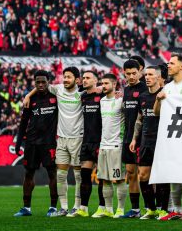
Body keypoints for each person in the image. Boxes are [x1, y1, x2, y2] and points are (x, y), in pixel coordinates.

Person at [26, 66, 82, 215]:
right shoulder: (59, 89)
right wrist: (28, 96)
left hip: (78, 138)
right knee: (61, 175)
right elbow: (41, 85)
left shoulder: (82, 93)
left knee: (78, 175)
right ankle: (63, 208)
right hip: (61, 139)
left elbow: (97, 89)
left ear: (77, 80)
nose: (66, 80)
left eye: (69, 77)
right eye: (65, 77)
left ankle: (77, 206)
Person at [155, 54, 182, 221]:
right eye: (168, 63)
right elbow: (156, 113)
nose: (168, 65)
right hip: (172, 137)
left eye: (172, 63)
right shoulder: (167, 88)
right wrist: (158, 99)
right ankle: (178, 210)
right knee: (174, 174)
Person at [14, 70, 61, 217]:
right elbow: (23, 122)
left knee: (52, 173)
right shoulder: (30, 99)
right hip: (32, 142)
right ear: (34, 83)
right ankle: (26, 208)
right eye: (37, 82)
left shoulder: (56, 97)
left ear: (48, 82)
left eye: (43, 82)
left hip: (49, 143)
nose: (40, 84)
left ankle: (53, 207)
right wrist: (18, 142)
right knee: (28, 173)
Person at [129, 64, 166, 219]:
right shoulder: (143, 96)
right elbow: (139, 118)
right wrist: (134, 138)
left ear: (158, 77)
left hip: (162, 141)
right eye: (146, 75)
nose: (147, 77)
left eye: (151, 74)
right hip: (145, 141)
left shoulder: (165, 94)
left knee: (162, 176)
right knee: (143, 175)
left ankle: (163, 209)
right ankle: (151, 209)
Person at [92, 73, 128, 218]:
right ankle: (108, 209)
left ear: (114, 84)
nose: (103, 86)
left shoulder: (121, 100)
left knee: (119, 179)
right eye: (102, 83)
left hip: (116, 145)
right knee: (105, 179)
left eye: (106, 83)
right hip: (103, 145)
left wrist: (123, 93)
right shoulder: (101, 101)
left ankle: (120, 209)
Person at [120, 57, 148, 217]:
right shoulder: (126, 90)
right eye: (128, 74)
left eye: (134, 73)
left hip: (142, 138)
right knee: (131, 172)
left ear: (140, 72)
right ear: (124, 73)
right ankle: (135, 209)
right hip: (127, 136)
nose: (131, 76)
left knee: (145, 175)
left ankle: (151, 207)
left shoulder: (145, 88)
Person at [73, 69, 103, 217]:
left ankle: (103, 207)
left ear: (95, 81)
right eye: (83, 78)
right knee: (85, 175)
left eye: (88, 78)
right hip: (87, 141)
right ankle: (83, 208)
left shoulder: (102, 95)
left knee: (102, 176)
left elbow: (114, 90)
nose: (84, 80)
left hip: (101, 141)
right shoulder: (83, 96)